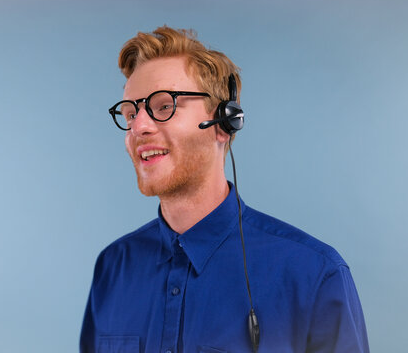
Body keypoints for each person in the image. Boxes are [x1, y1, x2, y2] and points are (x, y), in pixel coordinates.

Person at [79, 26, 369, 353]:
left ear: (223, 124)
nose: (139, 127)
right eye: (131, 113)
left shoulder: (315, 275)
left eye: (164, 106)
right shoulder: (112, 268)